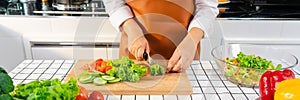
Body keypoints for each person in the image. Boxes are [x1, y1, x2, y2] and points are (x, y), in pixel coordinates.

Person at [102, 0, 219, 72]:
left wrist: (192, 40)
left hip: (185, 53)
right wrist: (132, 28)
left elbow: (207, 7)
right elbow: (114, 2)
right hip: (134, 50)